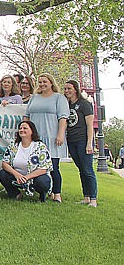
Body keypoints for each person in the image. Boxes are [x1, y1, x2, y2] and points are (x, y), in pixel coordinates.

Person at [24, 73, 69, 202]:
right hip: (36, 138)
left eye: (45, 82)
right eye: (40, 82)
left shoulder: (59, 98)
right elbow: (27, 115)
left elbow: (63, 118)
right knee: (36, 166)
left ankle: (57, 193)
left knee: (53, 166)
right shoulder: (34, 98)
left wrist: (60, 134)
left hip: (52, 136)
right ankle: (40, 190)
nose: (42, 84)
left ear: (51, 83)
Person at [0, 121, 52, 202]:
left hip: (34, 177)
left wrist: (27, 177)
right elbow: (5, 163)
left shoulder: (40, 146)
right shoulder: (14, 145)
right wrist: (17, 175)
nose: (22, 130)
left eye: (25, 128)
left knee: (42, 181)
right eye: (20, 128)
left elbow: (44, 168)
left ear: (32, 131)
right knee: (2, 174)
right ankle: (15, 194)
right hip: (17, 177)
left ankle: (42, 196)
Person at [64, 79, 97, 207]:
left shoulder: (84, 104)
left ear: (75, 89)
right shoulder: (67, 105)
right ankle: (86, 196)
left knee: (88, 170)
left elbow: (90, 126)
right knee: (81, 169)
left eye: (69, 89)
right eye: (65, 89)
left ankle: (93, 198)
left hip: (83, 140)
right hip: (71, 140)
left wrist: (90, 143)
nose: (67, 91)